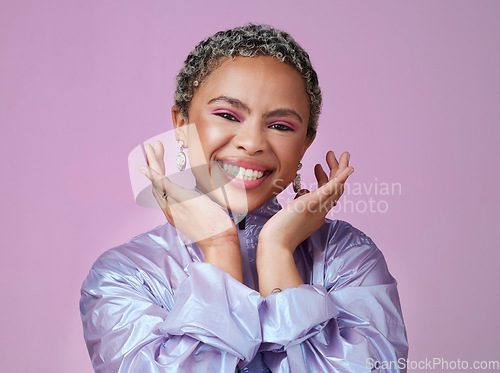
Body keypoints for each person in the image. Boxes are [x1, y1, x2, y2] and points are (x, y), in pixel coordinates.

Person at [80, 24, 408, 372]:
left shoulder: (349, 258)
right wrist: (219, 248)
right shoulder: (123, 276)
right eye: (227, 115)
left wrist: (278, 248)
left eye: (281, 125)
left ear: (305, 144)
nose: (252, 142)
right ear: (181, 123)